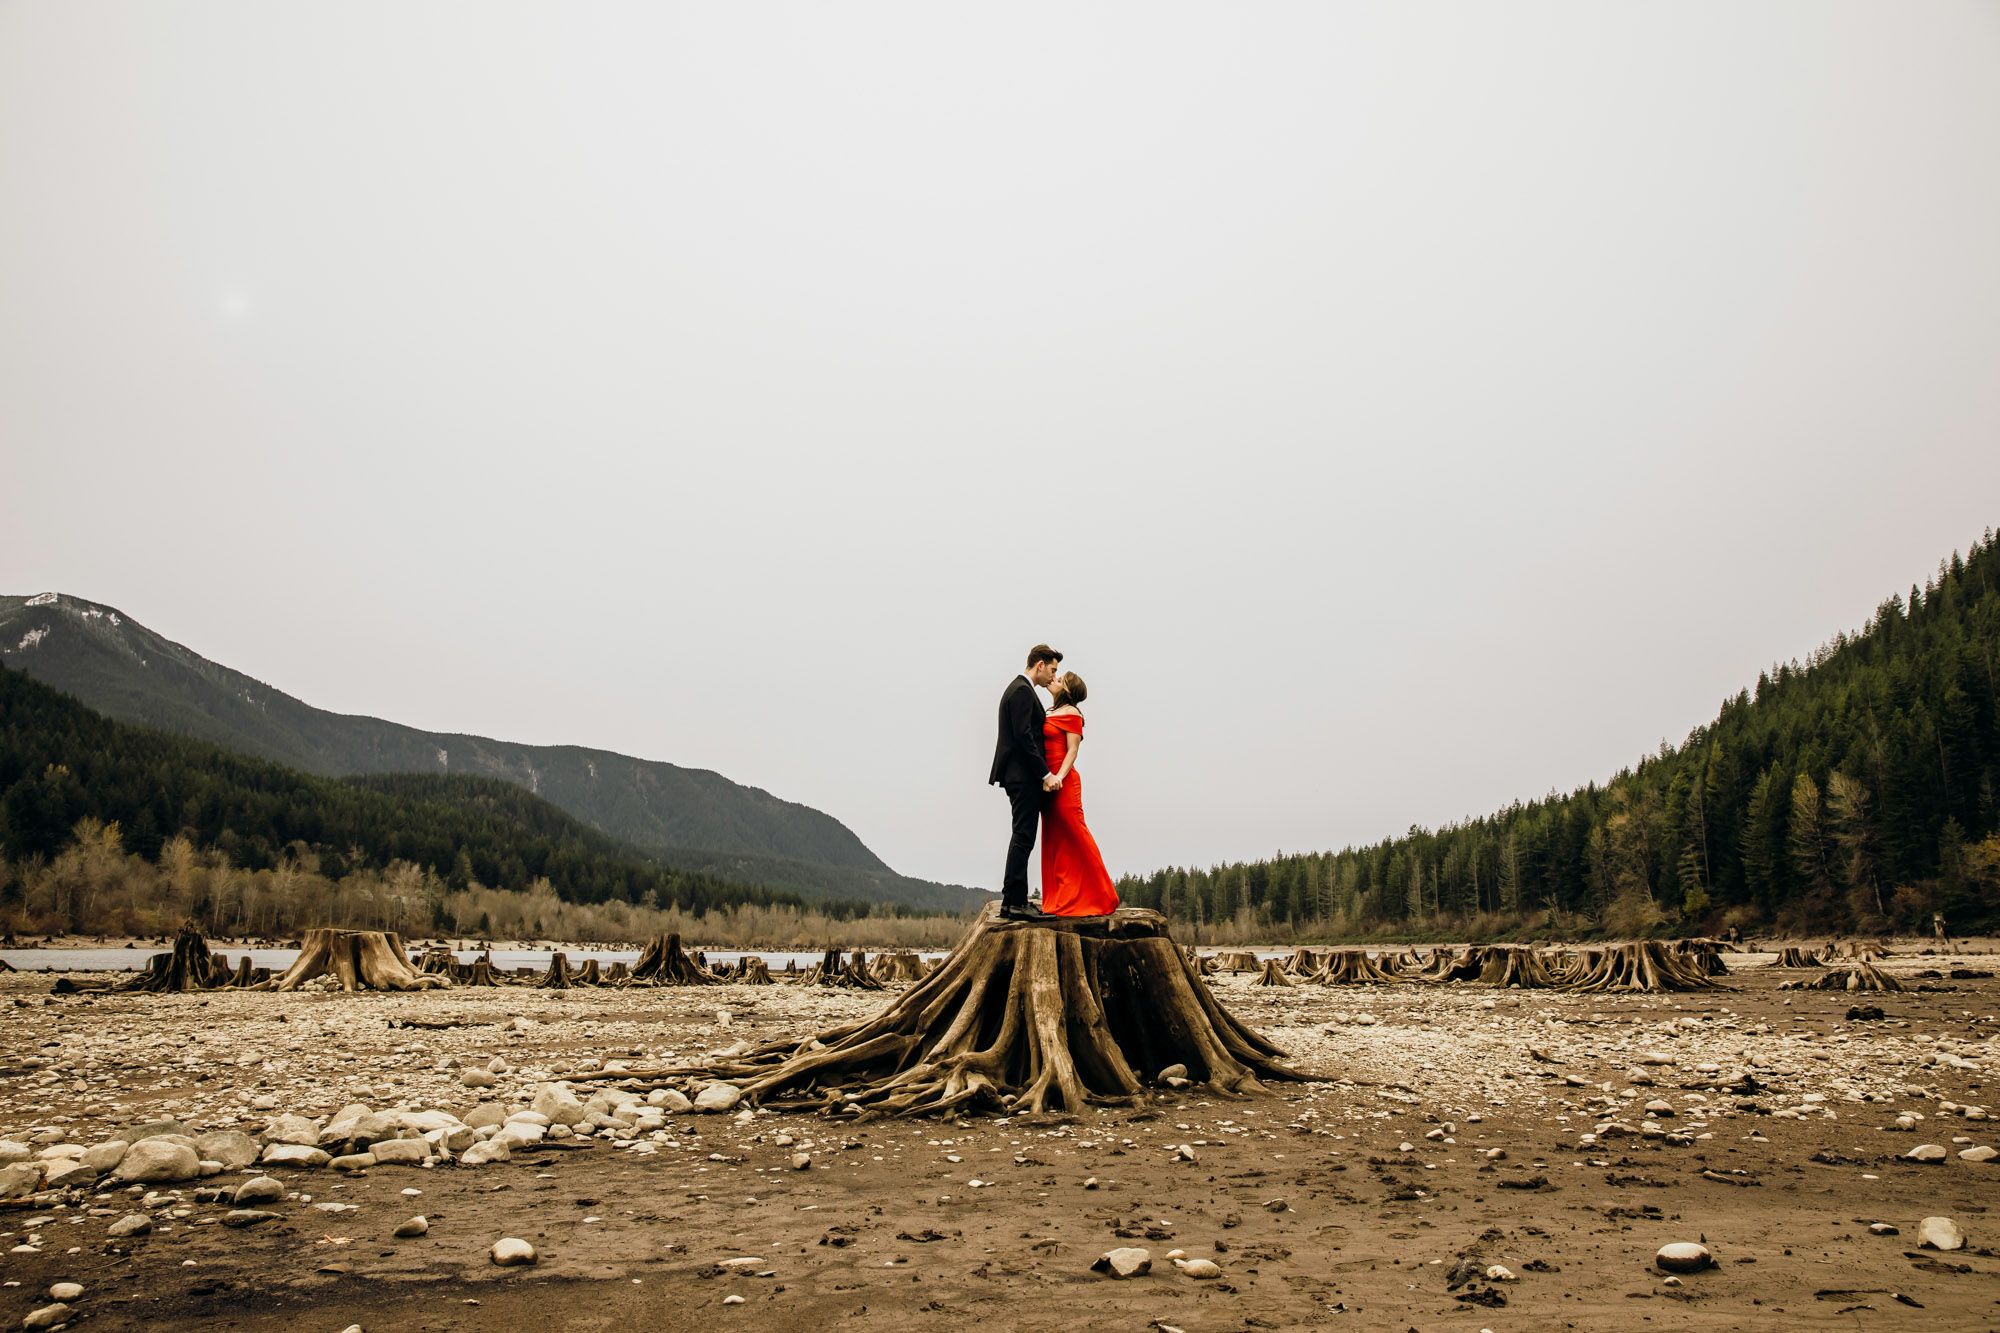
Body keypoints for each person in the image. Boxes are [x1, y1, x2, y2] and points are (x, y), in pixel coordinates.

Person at [990, 644, 1064, 921]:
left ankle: (1012, 901)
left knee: (1023, 836)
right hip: (1022, 776)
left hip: (1018, 776)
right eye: (1053, 670)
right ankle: (1017, 902)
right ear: (1039, 664)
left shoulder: (1019, 689)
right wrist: (1045, 774)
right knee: (1023, 836)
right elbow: (1023, 737)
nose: (1053, 676)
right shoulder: (1022, 691)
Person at [1038, 671, 1120, 917]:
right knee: (1054, 840)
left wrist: (1058, 779)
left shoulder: (1072, 713)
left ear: (1068, 691)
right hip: (1046, 784)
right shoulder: (1048, 712)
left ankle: (1103, 895)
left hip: (1063, 783)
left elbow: (1072, 751)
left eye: (1060, 680)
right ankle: (1061, 898)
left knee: (1076, 834)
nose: (1054, 679)